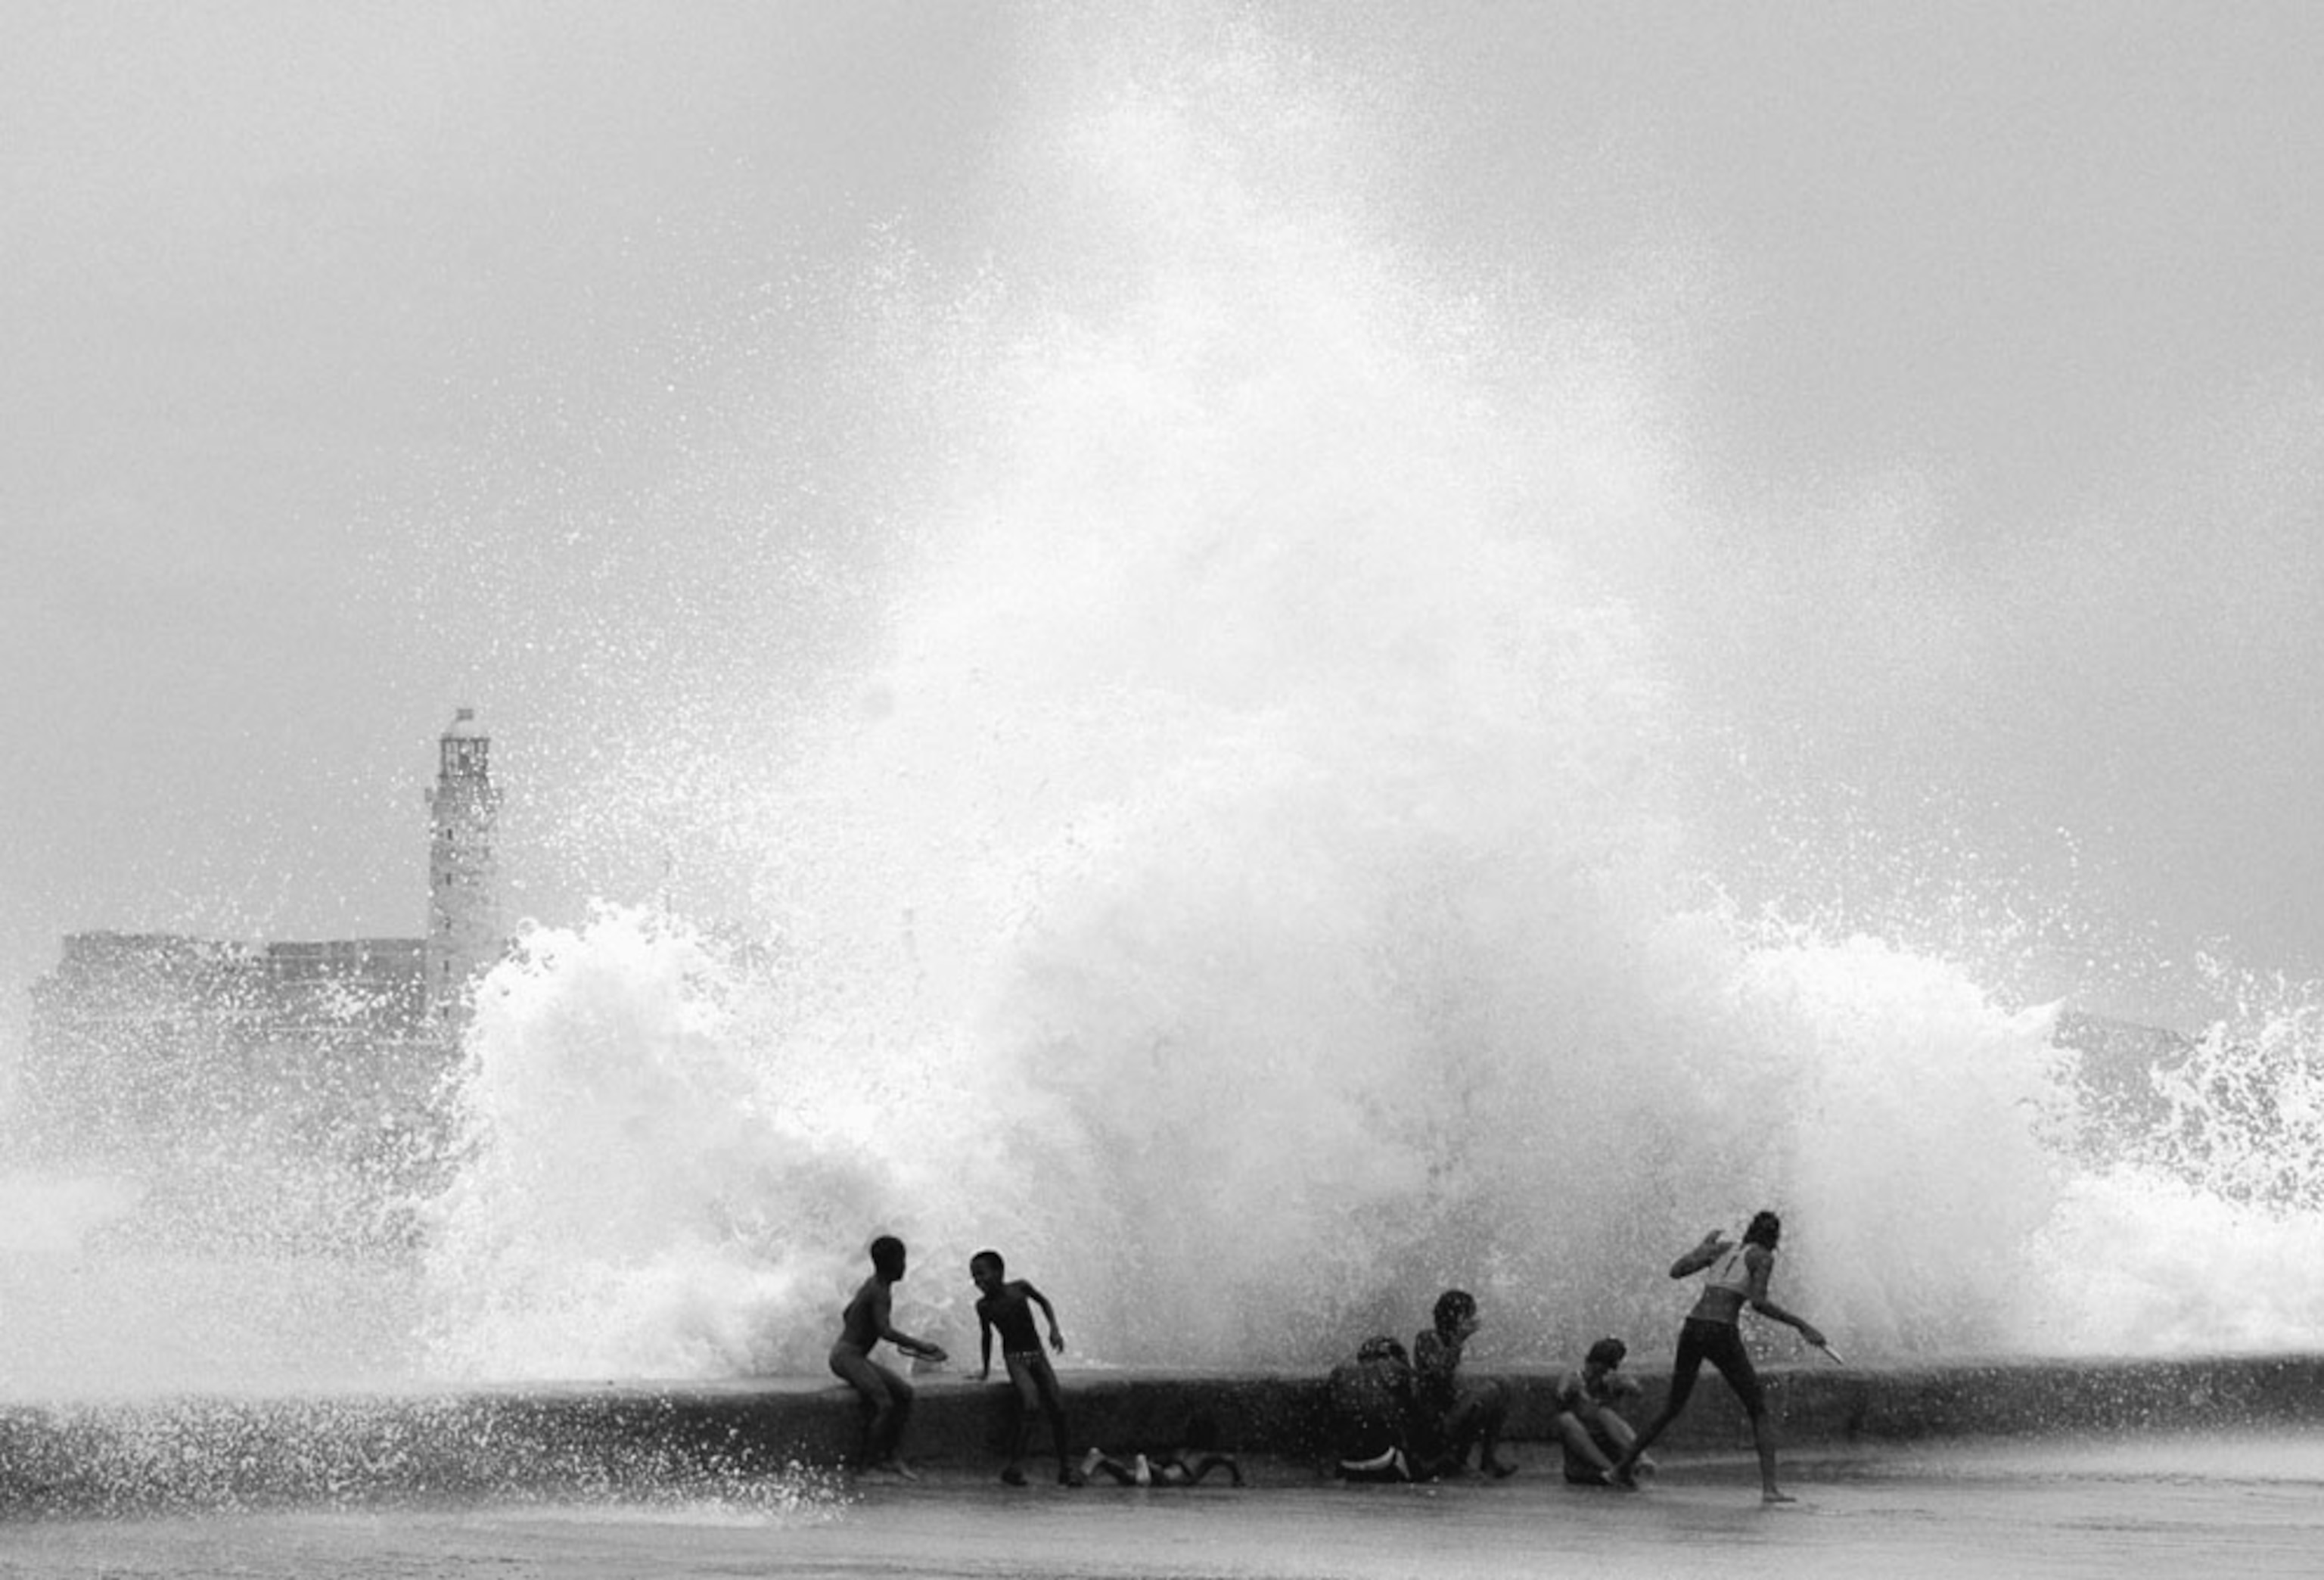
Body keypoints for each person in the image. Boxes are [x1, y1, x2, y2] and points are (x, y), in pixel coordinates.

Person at [1610, 1211, 1828, 1503]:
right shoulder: (1763, 1257)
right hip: (1720, 1332)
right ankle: (1770, 1489)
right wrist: (1803, 1326)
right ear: (1775, 1238)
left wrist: (1700, 1249)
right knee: (1758, 1409)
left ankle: (1621, 1469)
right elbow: (1759, 1304)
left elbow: (1676, 1271)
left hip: (1693, 1328)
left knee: (1673, 1406)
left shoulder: (1724, 1249)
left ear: (1749, 1229)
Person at [829, 1234, 947, 1479]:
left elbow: (848, 1312)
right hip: (846, 1357)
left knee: (905, 1394)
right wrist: (922, 1346)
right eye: (902, 1260)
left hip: (852, 1355)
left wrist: (859, 1329)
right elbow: (885, 1331)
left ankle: (891, 1456)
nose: (905, 1266)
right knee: (884, 1403)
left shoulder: (872, 1284)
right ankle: (867, 1466)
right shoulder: (880, 1292)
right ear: (892, 1263)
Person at [971, 1249, 1083, 1486]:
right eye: (974, 1277)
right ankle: (1014, 1467)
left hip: (1037, 1354)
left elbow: (1044, 1302)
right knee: (1031, 1405)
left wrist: (1054, 1329)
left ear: (999, 1272)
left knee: (1059, 1408)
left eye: (982, 1274)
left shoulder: (1020, 1288)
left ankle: (1065, 1468)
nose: (978, 1281)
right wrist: (985, 1369)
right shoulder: (983, 1306)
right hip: (1015, 1359)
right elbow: (987, 1337)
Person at [1411, 1289, 1515, 1479]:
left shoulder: (1450, 1341)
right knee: (1489, 1391)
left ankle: (1488, 1460)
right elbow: (1439, 1375)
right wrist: (1459, 1340)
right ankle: (1454, 1461)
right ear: (1455, 1317)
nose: (1472, 1320)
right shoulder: (1426, 1338)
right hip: (1434, 1425)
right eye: (1468, 1316)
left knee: (1504, 1384)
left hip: (1449, 1414)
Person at [1551, 1336, 1651, 1486]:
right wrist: (1571, 1390)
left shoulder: (1613, 1380)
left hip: (1611, 1447)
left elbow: (1637, 1390)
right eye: (1593, 1367)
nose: (1596, 1374)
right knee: (1566, 1419)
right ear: (1588, 1362)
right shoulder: (1574, 1376)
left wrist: (1625, 1385)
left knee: (1605, 1414)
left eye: (1604, 1369)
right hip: (1583, 1454)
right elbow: (1561, 1393)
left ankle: (1641, 1458)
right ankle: (1611, 1471)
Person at [1327, 1335, 1419, 1482]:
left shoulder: (1339, 1372)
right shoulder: (1398, 1369)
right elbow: (1412, 1418)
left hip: (1347, 1463)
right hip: (1383, 1461)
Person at [1079, 1410, 1245, 1488]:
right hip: (1173, 1476)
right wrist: (1238, 1479)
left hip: (1166, 1468)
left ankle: (1100, 1458)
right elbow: (1229, 1459)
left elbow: (1161, 1459)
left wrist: (1152, 1463)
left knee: (1128, 1476)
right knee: (1162, 1478)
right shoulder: (1206, 1456)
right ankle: (1145, 1465)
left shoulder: (1180, 1450)